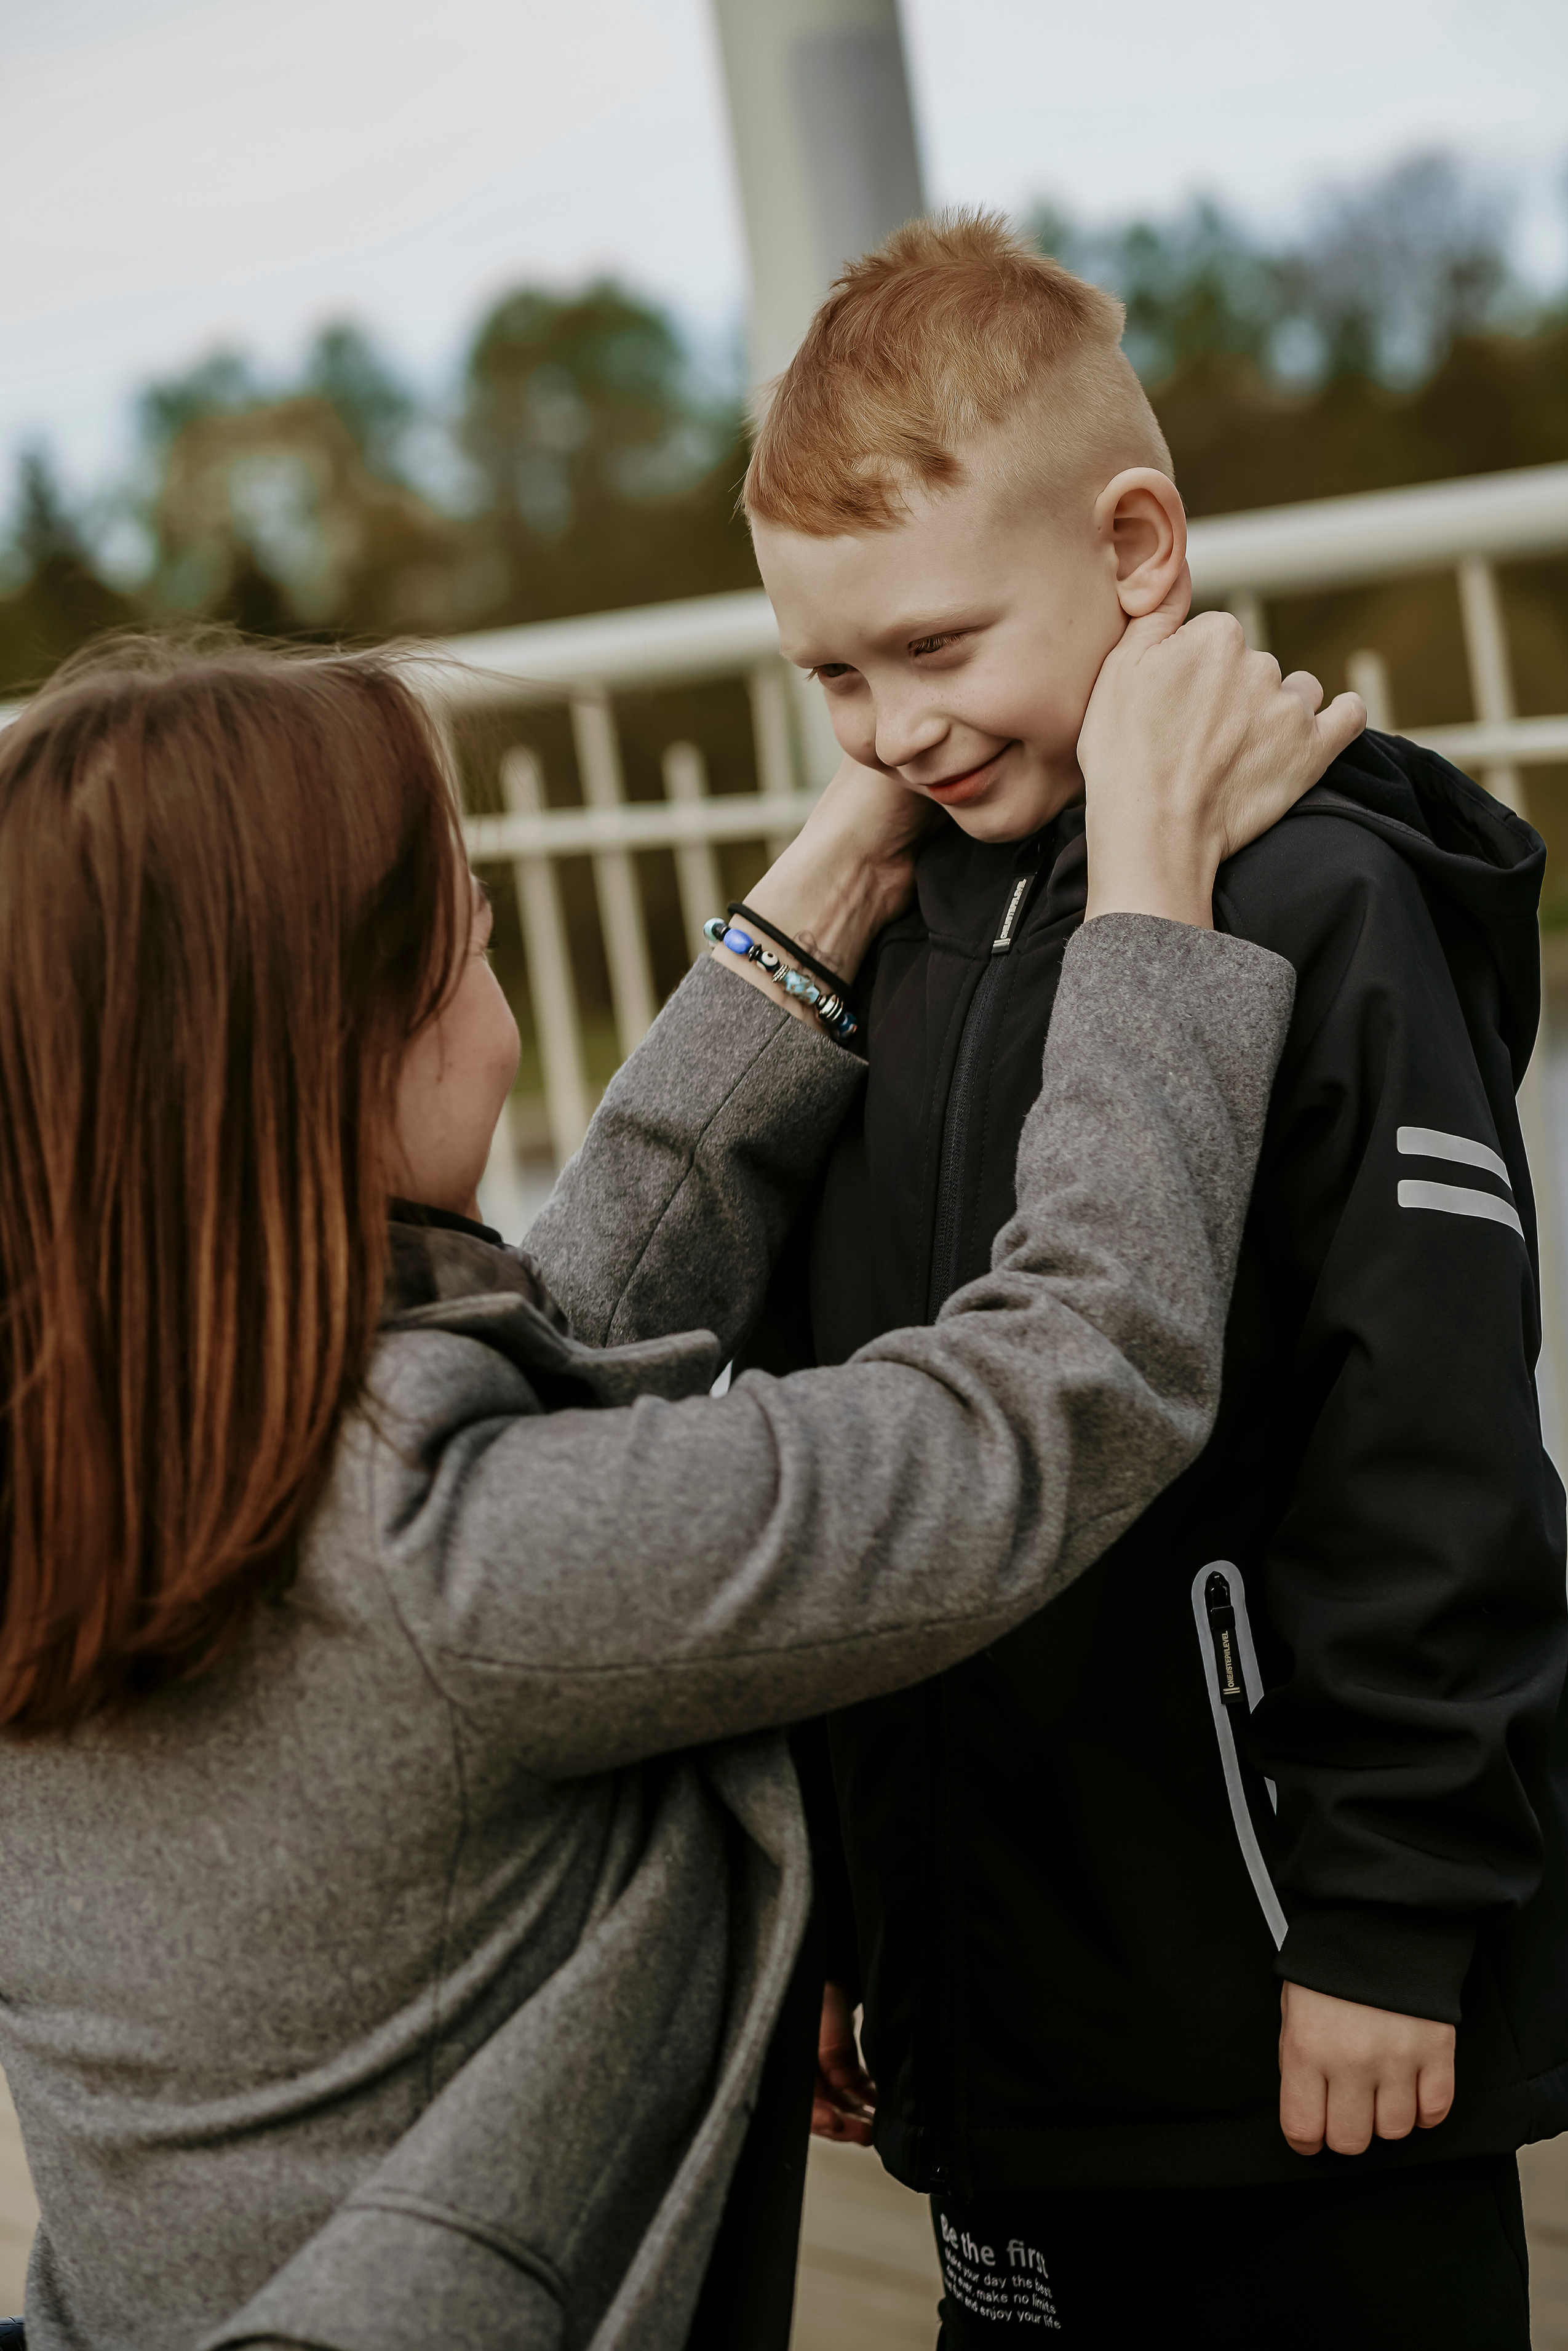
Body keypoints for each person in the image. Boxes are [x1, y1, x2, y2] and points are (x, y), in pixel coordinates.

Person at [0, 625, 1344, 2351]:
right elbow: (1058, 1397)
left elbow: (549, 1341)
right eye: (477, 950)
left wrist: (850, 860)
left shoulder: (117, 1457)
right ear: (354, 1047)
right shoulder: (448, 1559)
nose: (494, 1005)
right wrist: (1151, 893)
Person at [743, 212, 1568, 2350]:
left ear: (1136, 554)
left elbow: (1434, 1451)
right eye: (835, 677)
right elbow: (838, 1461)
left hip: (1296, 2024)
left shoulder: (1321, 908)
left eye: (934, 648)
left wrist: (1387, 1921)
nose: (891, 732)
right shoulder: (895, 950)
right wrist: (857, 1915)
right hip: (1002, 2036)